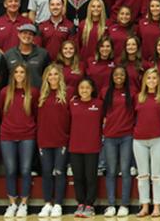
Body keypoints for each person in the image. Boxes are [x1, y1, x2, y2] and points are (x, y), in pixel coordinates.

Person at [0, 64, 38, 218]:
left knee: (26, 170)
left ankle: (23, 204)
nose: (19, 74)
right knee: (10, 170)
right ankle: (12, 204)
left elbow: (35, 114)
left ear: (26, 74)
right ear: (12, 74)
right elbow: (1, 113)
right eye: (16, 72)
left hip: (27, 136)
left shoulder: (33, 92)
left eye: (22, 72)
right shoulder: (4, 92)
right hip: (7, 136)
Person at [132, 68, 160, 217]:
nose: (151, 81)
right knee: (143, 175)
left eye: (154, 78)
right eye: (149, 78)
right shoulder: (138, 97)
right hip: (139, 140)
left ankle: (157, 206)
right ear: (144, 81)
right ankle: (145, 205)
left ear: (158, 80)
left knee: (157, 175)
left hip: (158, 139)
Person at [36, 65, 71, 217]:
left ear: (60, 76)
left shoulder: (67, 93)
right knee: (46, 172)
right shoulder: (41, 94)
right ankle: (47, 203)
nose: (53, 77)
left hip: (61, 139)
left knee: (59, 171)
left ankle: (58, 203)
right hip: (44, 139)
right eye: (50, 74)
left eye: (56, 74)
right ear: (46, 77)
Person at [68, 78, 105, 218]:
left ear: (92, 89)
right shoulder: (73, 104)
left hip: (92, 147)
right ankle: (80, 203)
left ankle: (90, 204)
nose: (84, 90)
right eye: (81, 88)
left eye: (87, 88)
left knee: (90, 177)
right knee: (78, 178)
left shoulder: (99, 104)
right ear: (78, 89)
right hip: (75, 146)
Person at [100, 67, 135, 217]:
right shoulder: (105, 91)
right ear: (112, 76)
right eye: (116, 74)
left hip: (127, 136)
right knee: (111, 171)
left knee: (126, 171)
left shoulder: (132, 92)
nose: (119, 76)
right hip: (110, 137)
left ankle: (125, 205)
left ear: (126, 76)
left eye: (122, 74)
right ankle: (111, 204)